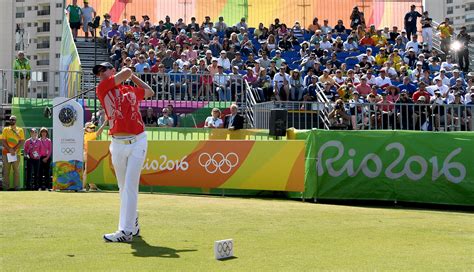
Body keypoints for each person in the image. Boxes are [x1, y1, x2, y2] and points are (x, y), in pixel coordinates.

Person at [93, 61, 154, 242]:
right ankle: (132, 222)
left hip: (138, 141)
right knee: (123, 188)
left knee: (129, 186)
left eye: (105, 70)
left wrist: (133, 77)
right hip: (118, 143)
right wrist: (127, 72)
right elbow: (126, 71)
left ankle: (126, 231)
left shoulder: (130, 89)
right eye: (99, 72)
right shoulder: (102, 87)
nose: (101, 74)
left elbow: (150, 91)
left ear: (113, 69)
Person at [2, 115, 25, 191]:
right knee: (6, 171)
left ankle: (17, 187)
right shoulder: (5, 129)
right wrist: (9, 149)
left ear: (16, 121)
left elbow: (22, 141)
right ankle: (6, 187)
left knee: (16, 171)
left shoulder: (20, 130)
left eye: (13, 119)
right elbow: (3, 140)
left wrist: (14, 150)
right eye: (11, 119)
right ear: (9, 120)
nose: (12, 121)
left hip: (16, 153)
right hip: (6, 153)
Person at [83, 121, 107, 191]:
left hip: (88, 154)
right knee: (87, 171)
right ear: (86, 128)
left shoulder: (86, 134)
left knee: (89, 171)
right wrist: (104, 125)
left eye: (93, 127)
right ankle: (82, 187)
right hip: (88, 154)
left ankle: (92, 186)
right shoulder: (89, 135)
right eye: (91, 128)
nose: (93, 129)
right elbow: (99, 132)